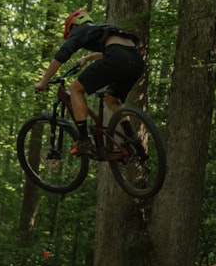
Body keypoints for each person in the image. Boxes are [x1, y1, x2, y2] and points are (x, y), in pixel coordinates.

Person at [34, 9, 145, 157]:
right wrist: (87, 58)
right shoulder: (103, 28)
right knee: (112, 100)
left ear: (73, 26)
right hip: (136, 61)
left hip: (117, 58)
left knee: (75, 89)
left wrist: (43, 82)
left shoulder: (79, 31)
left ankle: (84, 140)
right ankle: (132, 136)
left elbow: (61, 56)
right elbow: (119, 50)